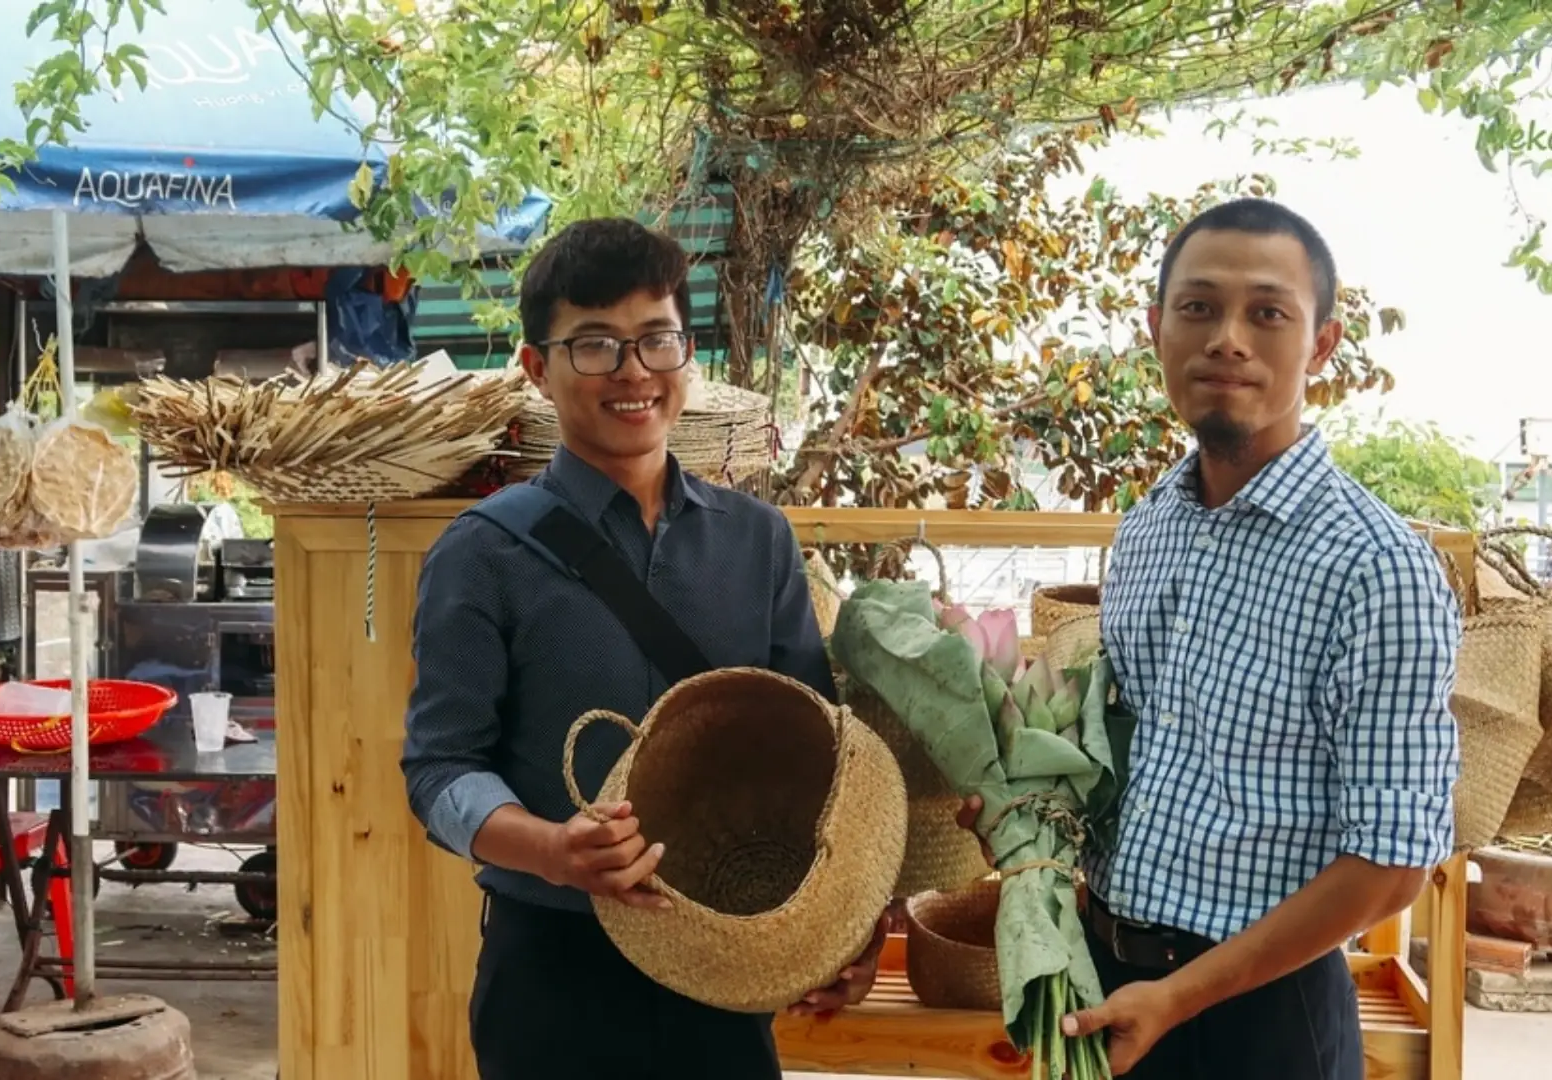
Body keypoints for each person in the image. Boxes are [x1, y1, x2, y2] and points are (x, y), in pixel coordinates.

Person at [965, 197, 1461, 1078]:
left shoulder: (1377, 568)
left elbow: (1391, 867)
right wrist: (1023, 817)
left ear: (1322, 345)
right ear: (1157, 328)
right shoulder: (1153, 526)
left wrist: (1183, 996)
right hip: (1108, 980)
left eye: (1268, 313)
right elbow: (1138, 760)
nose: (1227, 338)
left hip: (1263, 1018)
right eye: (1197, 307)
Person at [401, 217, 891, 1080]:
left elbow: (828, 762)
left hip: (727, 968)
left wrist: (848, 927)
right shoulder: (481, 552)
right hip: (553, 973)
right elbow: (439, 769)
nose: (631, 373)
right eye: (593, 346)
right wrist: (553, 849)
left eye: (654, 341)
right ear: (535, 368)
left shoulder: (757, 538)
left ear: (687, 356)